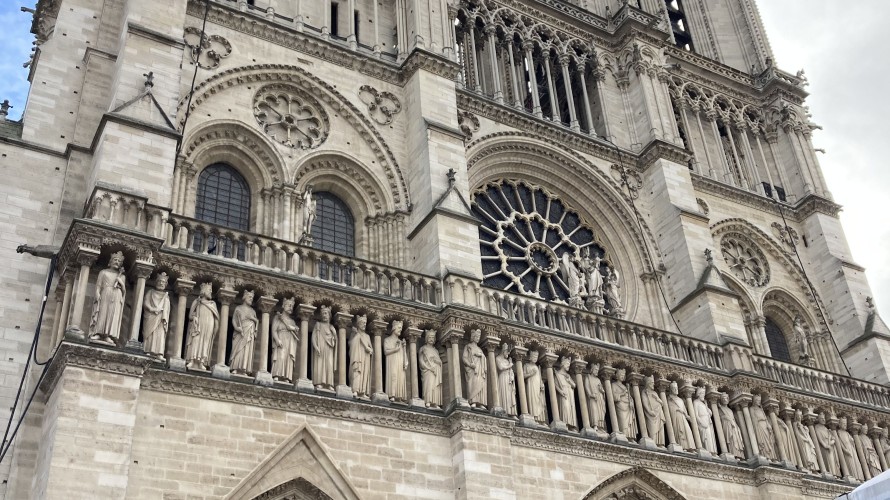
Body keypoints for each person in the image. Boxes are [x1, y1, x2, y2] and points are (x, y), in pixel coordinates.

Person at [89, 251, 127, 345]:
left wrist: (121, 283)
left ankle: (108, 335)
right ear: (110, 261)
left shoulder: (122, 276)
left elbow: (124, 291)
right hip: (105, 293)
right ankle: (98, 333)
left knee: (113, 315)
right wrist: (97, 294)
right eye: (115, 260)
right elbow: (98, 285)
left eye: (119, 261)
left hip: (117, 296)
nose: (117, 262)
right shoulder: (103, 272)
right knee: (103, 312)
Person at [185, 282, 219, 371]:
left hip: (209, 325)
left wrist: (215, 328)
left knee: (205, 342)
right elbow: (190, 315)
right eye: (209, 290)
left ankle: (202, 361)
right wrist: (194, 317)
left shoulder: (212, 304)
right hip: (198, 324)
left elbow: (216, 318)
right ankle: (192, 360)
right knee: (196, 340)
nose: (211, 292)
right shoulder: (197, 302)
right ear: (204, 291)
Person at [141, 272, 170, 360]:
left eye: (163, 282)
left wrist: (164, 311)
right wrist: (152, 309)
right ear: (156, 282)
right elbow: (145, 303)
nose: (161, 283)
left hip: (161, 318)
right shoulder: (151, 292)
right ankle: (148, 350)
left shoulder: (166, 296)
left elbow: (167, 310)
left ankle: (159, 353)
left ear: (165, 284)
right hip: (151, 316)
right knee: (150, 334)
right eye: (160, 281)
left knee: (160, 334)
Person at [229, 289, 258, 375]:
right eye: (249, 297)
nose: (251, 299)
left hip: (249, 331)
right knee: (238, 349)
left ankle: (243, 369)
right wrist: (237, 328)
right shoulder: (239, 308)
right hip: (240, 331)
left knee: (247, 350)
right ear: (245, 297)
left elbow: (257, 321)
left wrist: (252, 319)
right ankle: (235, 367)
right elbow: (234, 320)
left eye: (252, 298)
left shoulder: (253, 311)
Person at [271, 297, 298, 382]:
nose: (291, 308)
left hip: (290, 341)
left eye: (292, 306)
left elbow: (296, 330)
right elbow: (274, 330)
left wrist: (293, 328)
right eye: (289, 305)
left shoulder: (292, 321)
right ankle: (277, 374)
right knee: (280, 356)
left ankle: (287, 376)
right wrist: (277, 340)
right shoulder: (278, 317)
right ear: (283, 305)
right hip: (281, 338)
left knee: (288, 358)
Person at [312, 305, 338, 390]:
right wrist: (316, 347)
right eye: (323, 313)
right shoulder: (318, 325)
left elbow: (334, 342)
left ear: (329, 315)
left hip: (329, 350)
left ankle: (329, 383)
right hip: (320, 348)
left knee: (329, 365)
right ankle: (319, 382)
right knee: (319, 364)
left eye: (326, 313)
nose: (324, 315)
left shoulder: (331, 327)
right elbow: (313, 337)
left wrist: (334, 334)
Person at [348, 314, 373, 397]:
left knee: (364, 373)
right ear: (358, 324)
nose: (364, 324)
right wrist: (357, 336)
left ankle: (362, 391)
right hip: (357, 356)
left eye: (365, 323)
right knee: (357, 372)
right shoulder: (354, 333)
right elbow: (350, 344)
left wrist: (369, 349)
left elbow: (371, 348)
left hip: (365, 358)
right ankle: (355, 389)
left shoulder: (367, 336)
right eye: (362, 323)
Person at [383, 320, 408, 401]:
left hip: (400, 362)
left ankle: (399, 396)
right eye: (399, 328)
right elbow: (386, 351)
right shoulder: (387, 340)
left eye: (401, 328)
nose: (400, 330)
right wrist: (395, 349)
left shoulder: (401, 342)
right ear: (394, 328)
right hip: (392, 362)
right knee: (393, 376)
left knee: (400, 377)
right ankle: (392, 395)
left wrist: (404, 347)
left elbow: (404, 356)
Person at [463, 329, 487, 408]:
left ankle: (480, 402)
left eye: (479, 337)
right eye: (476, 336)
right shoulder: (468, 346)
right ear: (473, 337)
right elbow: (464, 358)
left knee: (480, 383)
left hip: (480, 369)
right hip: (472, 369)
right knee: (473, 383)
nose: (478, 338)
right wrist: (470, 364)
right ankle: (472, 400)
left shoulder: (479, 349)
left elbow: (483, 358)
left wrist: (481, 356)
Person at [418, 330, 442, 408]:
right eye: (430, 337)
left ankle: (435, 402)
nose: (431, 339)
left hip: (436, 370)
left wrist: (436, 361)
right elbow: (421, 361)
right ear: (426, 338)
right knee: (429, 385)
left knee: (435, 387)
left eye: (433, 337)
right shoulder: (423, 349)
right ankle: (427, 401)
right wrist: (428, 368)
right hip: (428, 371)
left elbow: (440, 361)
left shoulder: (436, 350)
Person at [554, 357, 577, 429]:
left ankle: (571, 425)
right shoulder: (558, 374)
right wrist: (561, 392)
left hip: (570, 392)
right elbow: (555, 385)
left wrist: (569, 380)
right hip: (563, 392)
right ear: (563, 364)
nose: (568, 366)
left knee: (571, 408)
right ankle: (565, 423)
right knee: (565, 407)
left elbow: (574, 385)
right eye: (567, 364)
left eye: (569, 365)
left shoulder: (568, 376)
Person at [525, 350, 547, 423]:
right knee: (532, 399)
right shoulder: (526, 365)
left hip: (537, 386)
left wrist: (541, 384)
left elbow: (539, 377)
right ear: (530, 357)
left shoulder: (537, 367)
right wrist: (531, 373)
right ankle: (533, 416)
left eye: (536, 357)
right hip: (531, 385)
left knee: (539, 400)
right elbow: (522, 376)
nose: (535, 358)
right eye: (534, 356)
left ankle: (539, 419)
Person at [495, 343, 517, 415]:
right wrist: (510, 365)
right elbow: (501, 368)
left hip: (508, 379)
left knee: (509, 394)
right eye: (507, 352)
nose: (508, 353)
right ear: (503, 351)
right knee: (504, 393)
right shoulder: (498, 358)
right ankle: (504, 410)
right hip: (502, 378)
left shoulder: (507, 361)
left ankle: (510, 412)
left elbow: (511, 371)